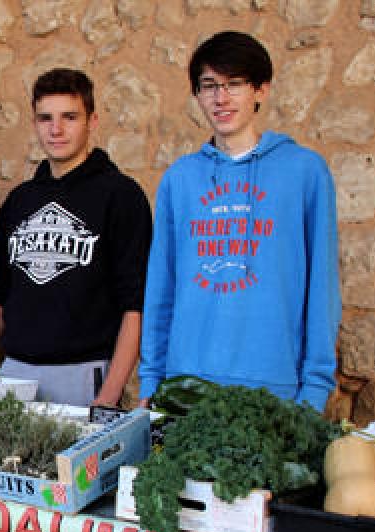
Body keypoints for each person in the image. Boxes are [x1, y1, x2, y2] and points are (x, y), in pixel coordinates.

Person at [138, 30, 339, 412]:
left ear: (261, 90)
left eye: (235, 84)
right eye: (209, 86)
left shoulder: (304, 172)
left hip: (274, 388)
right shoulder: (180, 179)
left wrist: (314, 391)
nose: (221, 98)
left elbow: (322, 287)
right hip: (186, 385)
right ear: (197, 95)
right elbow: (161, 286)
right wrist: (152, 378)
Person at [0, 69, 150, 407]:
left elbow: (134, 306)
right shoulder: (19, 201)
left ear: (93, 121)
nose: (56, 129)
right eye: (45, 118)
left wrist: (109, 394)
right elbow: (1, 297)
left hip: (83, 375)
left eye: (69, 117)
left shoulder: (120, 196)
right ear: (34, 123)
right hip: (14, 372)